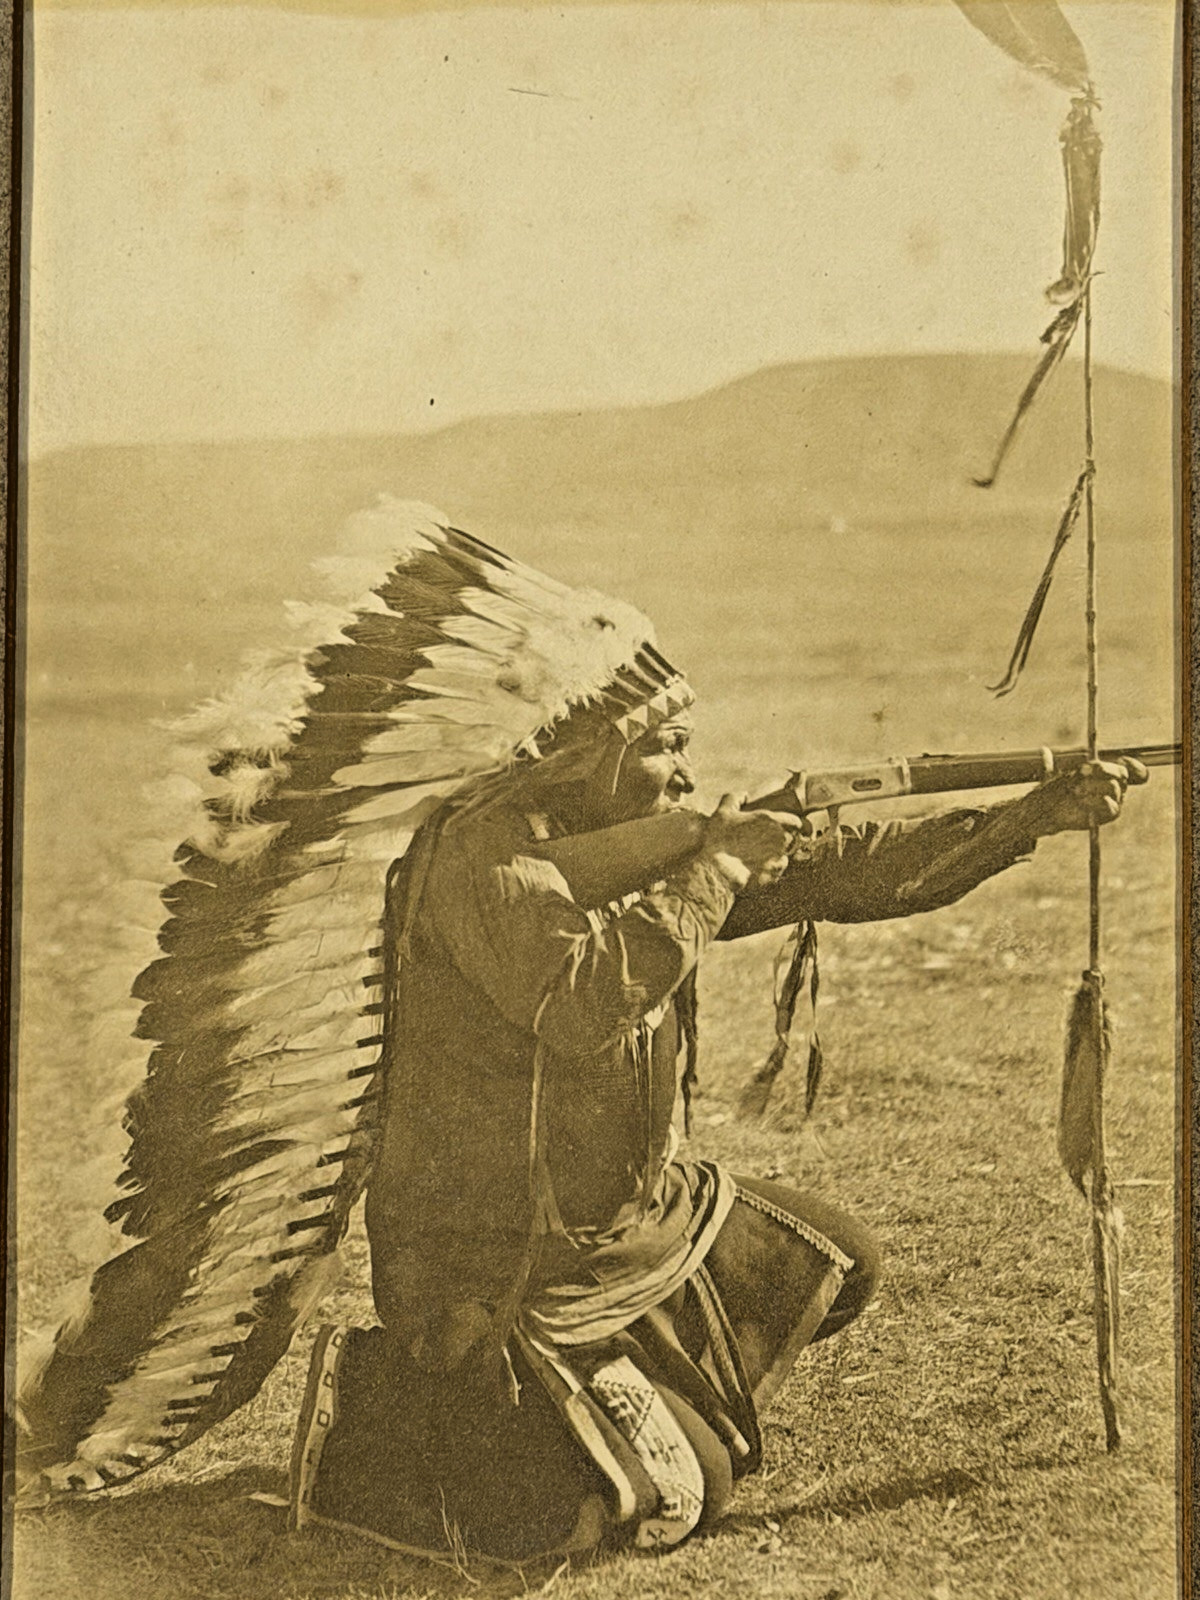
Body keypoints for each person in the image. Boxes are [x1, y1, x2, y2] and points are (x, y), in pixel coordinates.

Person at [287, 553, 1137, 1560]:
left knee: (844, 1266)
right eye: (665, 748)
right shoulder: (480, 857)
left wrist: (1026, 817)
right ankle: (392, 1410)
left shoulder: (639, 842)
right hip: (492, 1259)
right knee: (661, 1503)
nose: (686, 774)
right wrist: (720, 861)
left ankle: (603, 1387)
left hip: (630, 1220)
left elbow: (846, 872)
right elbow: (585, 1004)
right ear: (588, 753)